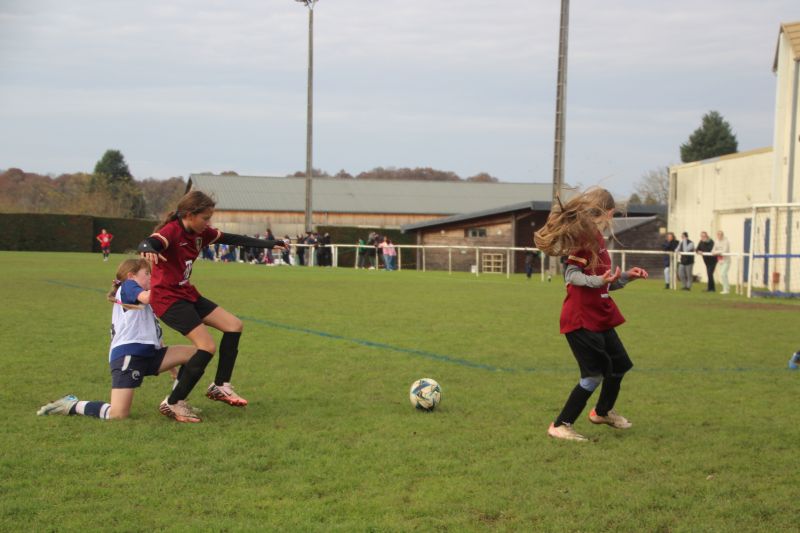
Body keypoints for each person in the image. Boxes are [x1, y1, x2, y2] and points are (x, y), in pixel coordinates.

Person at [136, 190, 286, 421]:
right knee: (206, 347)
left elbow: (231, 238)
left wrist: (268, 243)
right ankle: (173, 403)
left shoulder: (200, 233)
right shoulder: (172, 231)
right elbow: (152, 241)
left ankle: (220, 385)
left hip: (187, 293)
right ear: (189, 214)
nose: (209, 223)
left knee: (234, 325)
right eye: (205, 218)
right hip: (168, 299)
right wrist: (147, 248)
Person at [534, 188, 648, 442]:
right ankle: (561, 425)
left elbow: (605, 283)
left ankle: (602, 412)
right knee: (593, 375)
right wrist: (598, 280)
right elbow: (571, 276)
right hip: (581, 319)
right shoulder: (584, 240)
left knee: (618, 366)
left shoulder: (598, 239)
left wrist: (628, 277)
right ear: (608, 212)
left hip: (601, 316)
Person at [37, 258, 198, 421]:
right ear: (131, 276)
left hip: (149, 354)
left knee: (195, 354)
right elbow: (148, 297)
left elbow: (155, 335)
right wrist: (164, 282)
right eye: (147, 273)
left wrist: (172, 370)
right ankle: (71, 404)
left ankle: (175, 402)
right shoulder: (128, 286)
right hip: (128, 355)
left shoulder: (144, 300)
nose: (151, 277)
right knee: (118, 414)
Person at [712, 230, 731, 294]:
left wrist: (716, 252)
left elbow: (724, 251)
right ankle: (727, 288)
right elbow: (713, 250)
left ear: (722, 235)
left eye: (720, 234)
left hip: (726, 260)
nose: (719, 236)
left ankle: (726, 289)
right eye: (718, 234)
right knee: (723, 274)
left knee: (723, 274)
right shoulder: (716, 241)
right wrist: (715, 252)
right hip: (720, 260)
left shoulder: (726, 241)